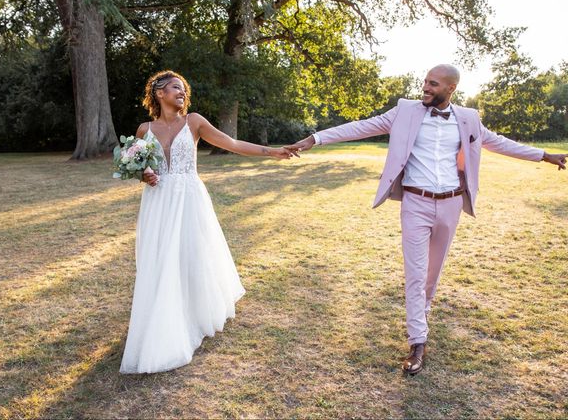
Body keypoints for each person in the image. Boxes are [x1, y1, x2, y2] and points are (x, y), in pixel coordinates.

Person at [285, 64, 567, 375]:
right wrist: (315, 139)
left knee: (433, 273)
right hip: (415, 203)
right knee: (416, 275)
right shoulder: (404, 111)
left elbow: (498, 142)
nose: (426, 88)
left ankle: (423, 312)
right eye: (425, 82)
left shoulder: (469, 118)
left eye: (433, 84)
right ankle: (418, 342)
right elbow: (360, 126)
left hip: (451, 204)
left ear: (450, 89)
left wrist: (543, 154)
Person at [119, 70, 293, 374]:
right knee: (160, 259)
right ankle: (162, 317)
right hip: (159, 202)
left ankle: (194, 313)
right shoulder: (144, 129)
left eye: (184, 89)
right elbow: (142, 170)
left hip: (189, 198)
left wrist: (272, 152)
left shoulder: (194, 122)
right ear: (159, 93)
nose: (182, 92)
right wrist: (144, 175)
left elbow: (233, 144)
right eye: (175, 88)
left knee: (191, 254)